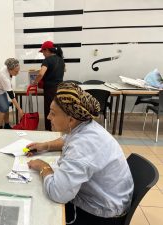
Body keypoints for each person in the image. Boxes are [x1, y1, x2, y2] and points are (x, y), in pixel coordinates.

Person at [27, 82, 134, 225]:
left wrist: (43, 166)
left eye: (53, 113)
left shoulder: (83, 145)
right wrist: (45, 145)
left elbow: (58, 193)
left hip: (103, 214)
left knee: (41, 210)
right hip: (112, 198)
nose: (48, 117)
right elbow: (67, 139)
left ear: (71, 119)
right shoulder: (86, 125)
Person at [33, 40, 65, 131]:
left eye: (42, 51)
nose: (42, 54)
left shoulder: (47, 60)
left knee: (49, 109)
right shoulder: (61, 59)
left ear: (47, 50)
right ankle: (58, 127)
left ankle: (49, 129)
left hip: (50, 89)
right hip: (59, 88)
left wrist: (35, 82)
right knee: (57, 109)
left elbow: (41, 74)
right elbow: (64, 70)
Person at [0, 58, 24, 129]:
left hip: (1, 89)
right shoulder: (4, 76)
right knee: (4, 108)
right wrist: (19, 109)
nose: (18, 73)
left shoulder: (8, 68)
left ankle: (6, 125)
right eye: (16, 71)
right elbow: (11, 96)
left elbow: (9, 88)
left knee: (6, 106)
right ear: (10, 70)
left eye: (18, 70)